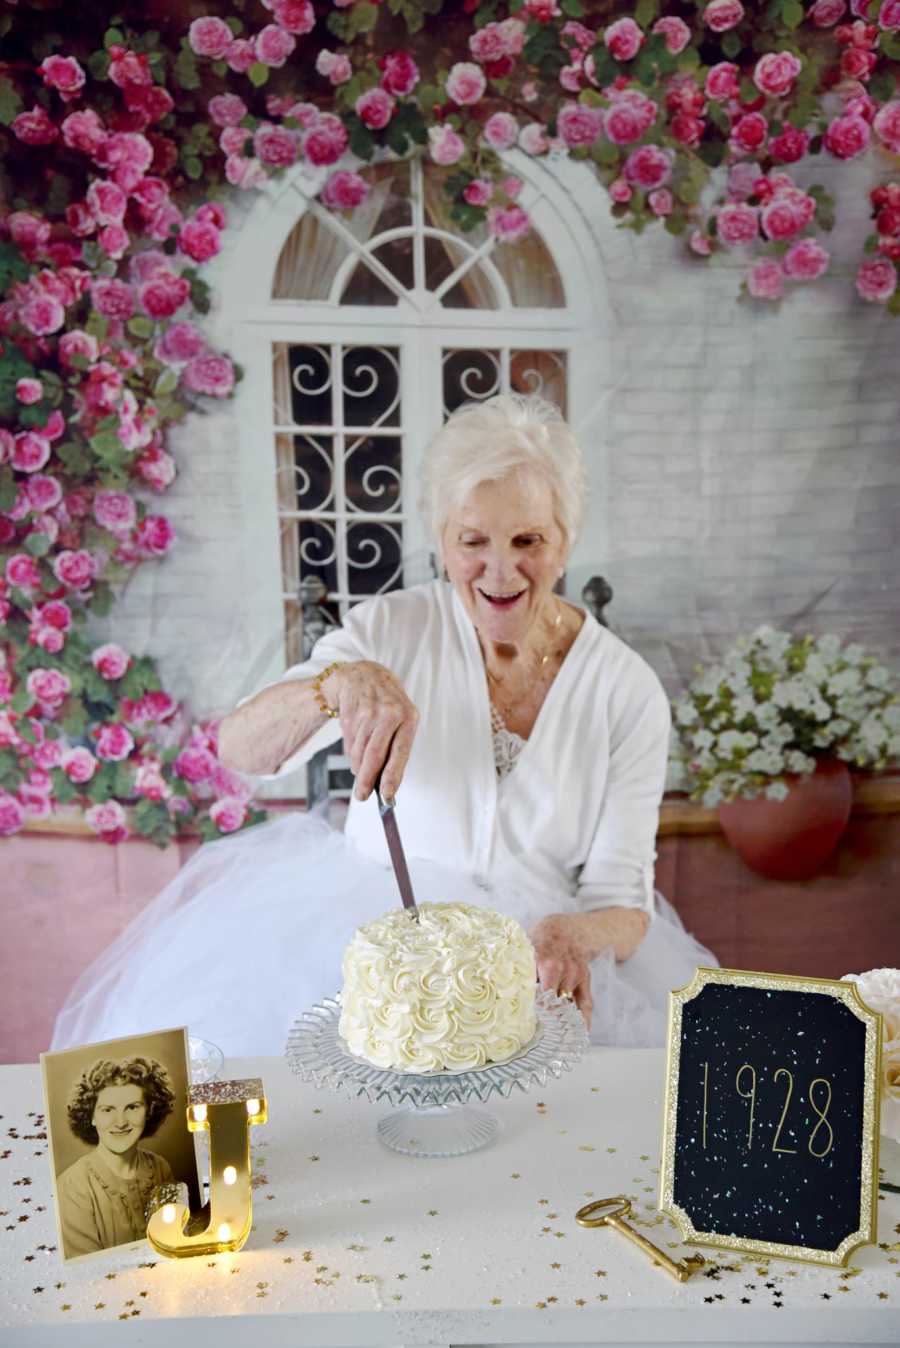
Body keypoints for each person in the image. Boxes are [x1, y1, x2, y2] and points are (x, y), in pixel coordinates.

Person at [52, 394, 715, 1057]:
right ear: (442, 540)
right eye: (473, 541)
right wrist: (335, 684)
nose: (501, 570)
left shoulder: (624, 688)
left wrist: (571, 935)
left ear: (565, 540)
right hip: (373, 956)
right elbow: (240, 750)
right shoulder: (389, 629)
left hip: (536, 969)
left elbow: (624, 904)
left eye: (528, 540)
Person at [56, 1056, 175, 1257]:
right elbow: (89, 1270)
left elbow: (173, 1241)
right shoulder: (72, 1186)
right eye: (107, 1110)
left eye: (132, 1107)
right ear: (91, 1116)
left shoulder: (160, 1168)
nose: (120, 1122)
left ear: (149, 1111)